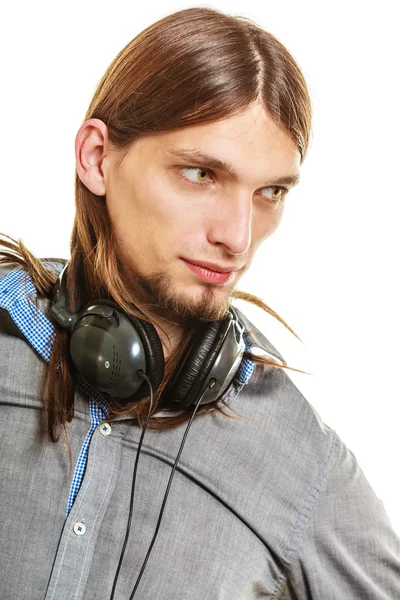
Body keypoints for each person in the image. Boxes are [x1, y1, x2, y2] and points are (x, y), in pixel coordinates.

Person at [0, 6, 399, 600]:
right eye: (200, 174)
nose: (238, 238)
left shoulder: (301, 463)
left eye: (270, 192)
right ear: (97, 158)